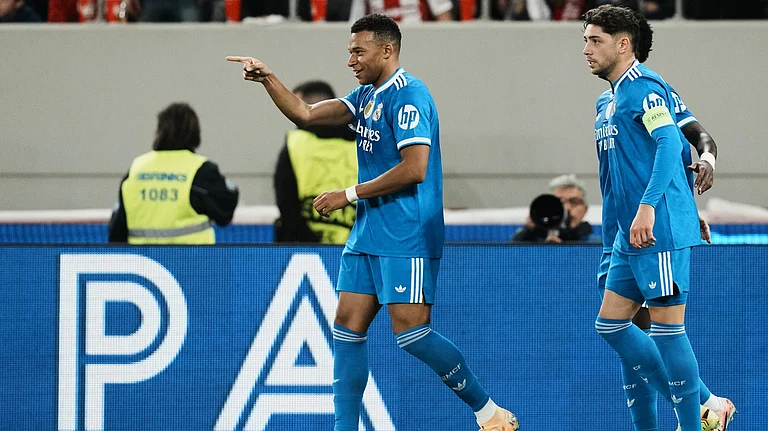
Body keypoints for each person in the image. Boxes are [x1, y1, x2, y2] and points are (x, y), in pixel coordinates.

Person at [226, 13, 519, 431]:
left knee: (412, 334)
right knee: (346, 325)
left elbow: (415, 168)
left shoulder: (410, 96)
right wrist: (269, 77)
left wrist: (348, 193)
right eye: (349, 51)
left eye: (358, 51)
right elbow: (306, 114)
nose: (351, 60)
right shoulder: (365, 96)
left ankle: (489, 414)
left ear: (387, 49)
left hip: (407, 232)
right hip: (368, 232)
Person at [590, 8, 736, 431]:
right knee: (612, 326)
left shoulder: (647, 89)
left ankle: (698, 417)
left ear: (623, 43)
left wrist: (657, 207)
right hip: (622, 233)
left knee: (667, 332)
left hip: (655, 228)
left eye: (594, 40)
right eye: (585, 40)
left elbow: (673, 144)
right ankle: (702, 405)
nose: (585, 49)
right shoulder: (607, 100)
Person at [108, 103, 239, 244]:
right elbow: (225, 211)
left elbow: (117, 230)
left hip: (145, 264)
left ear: (159, 131)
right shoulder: (202, 170)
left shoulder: (137, 168)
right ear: (195, 132)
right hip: (194, 262)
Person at [273, 80, 357, 244]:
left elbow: (285, 202)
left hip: (302, 251)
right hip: (356, 247)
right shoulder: (363, 142)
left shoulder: (295, 143)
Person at [511, 174, 596, 243]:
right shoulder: (530, 237)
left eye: (574, 202)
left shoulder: (595, 244)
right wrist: (527, 232)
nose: (567, 208)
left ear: (585, 210)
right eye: (560, 202)